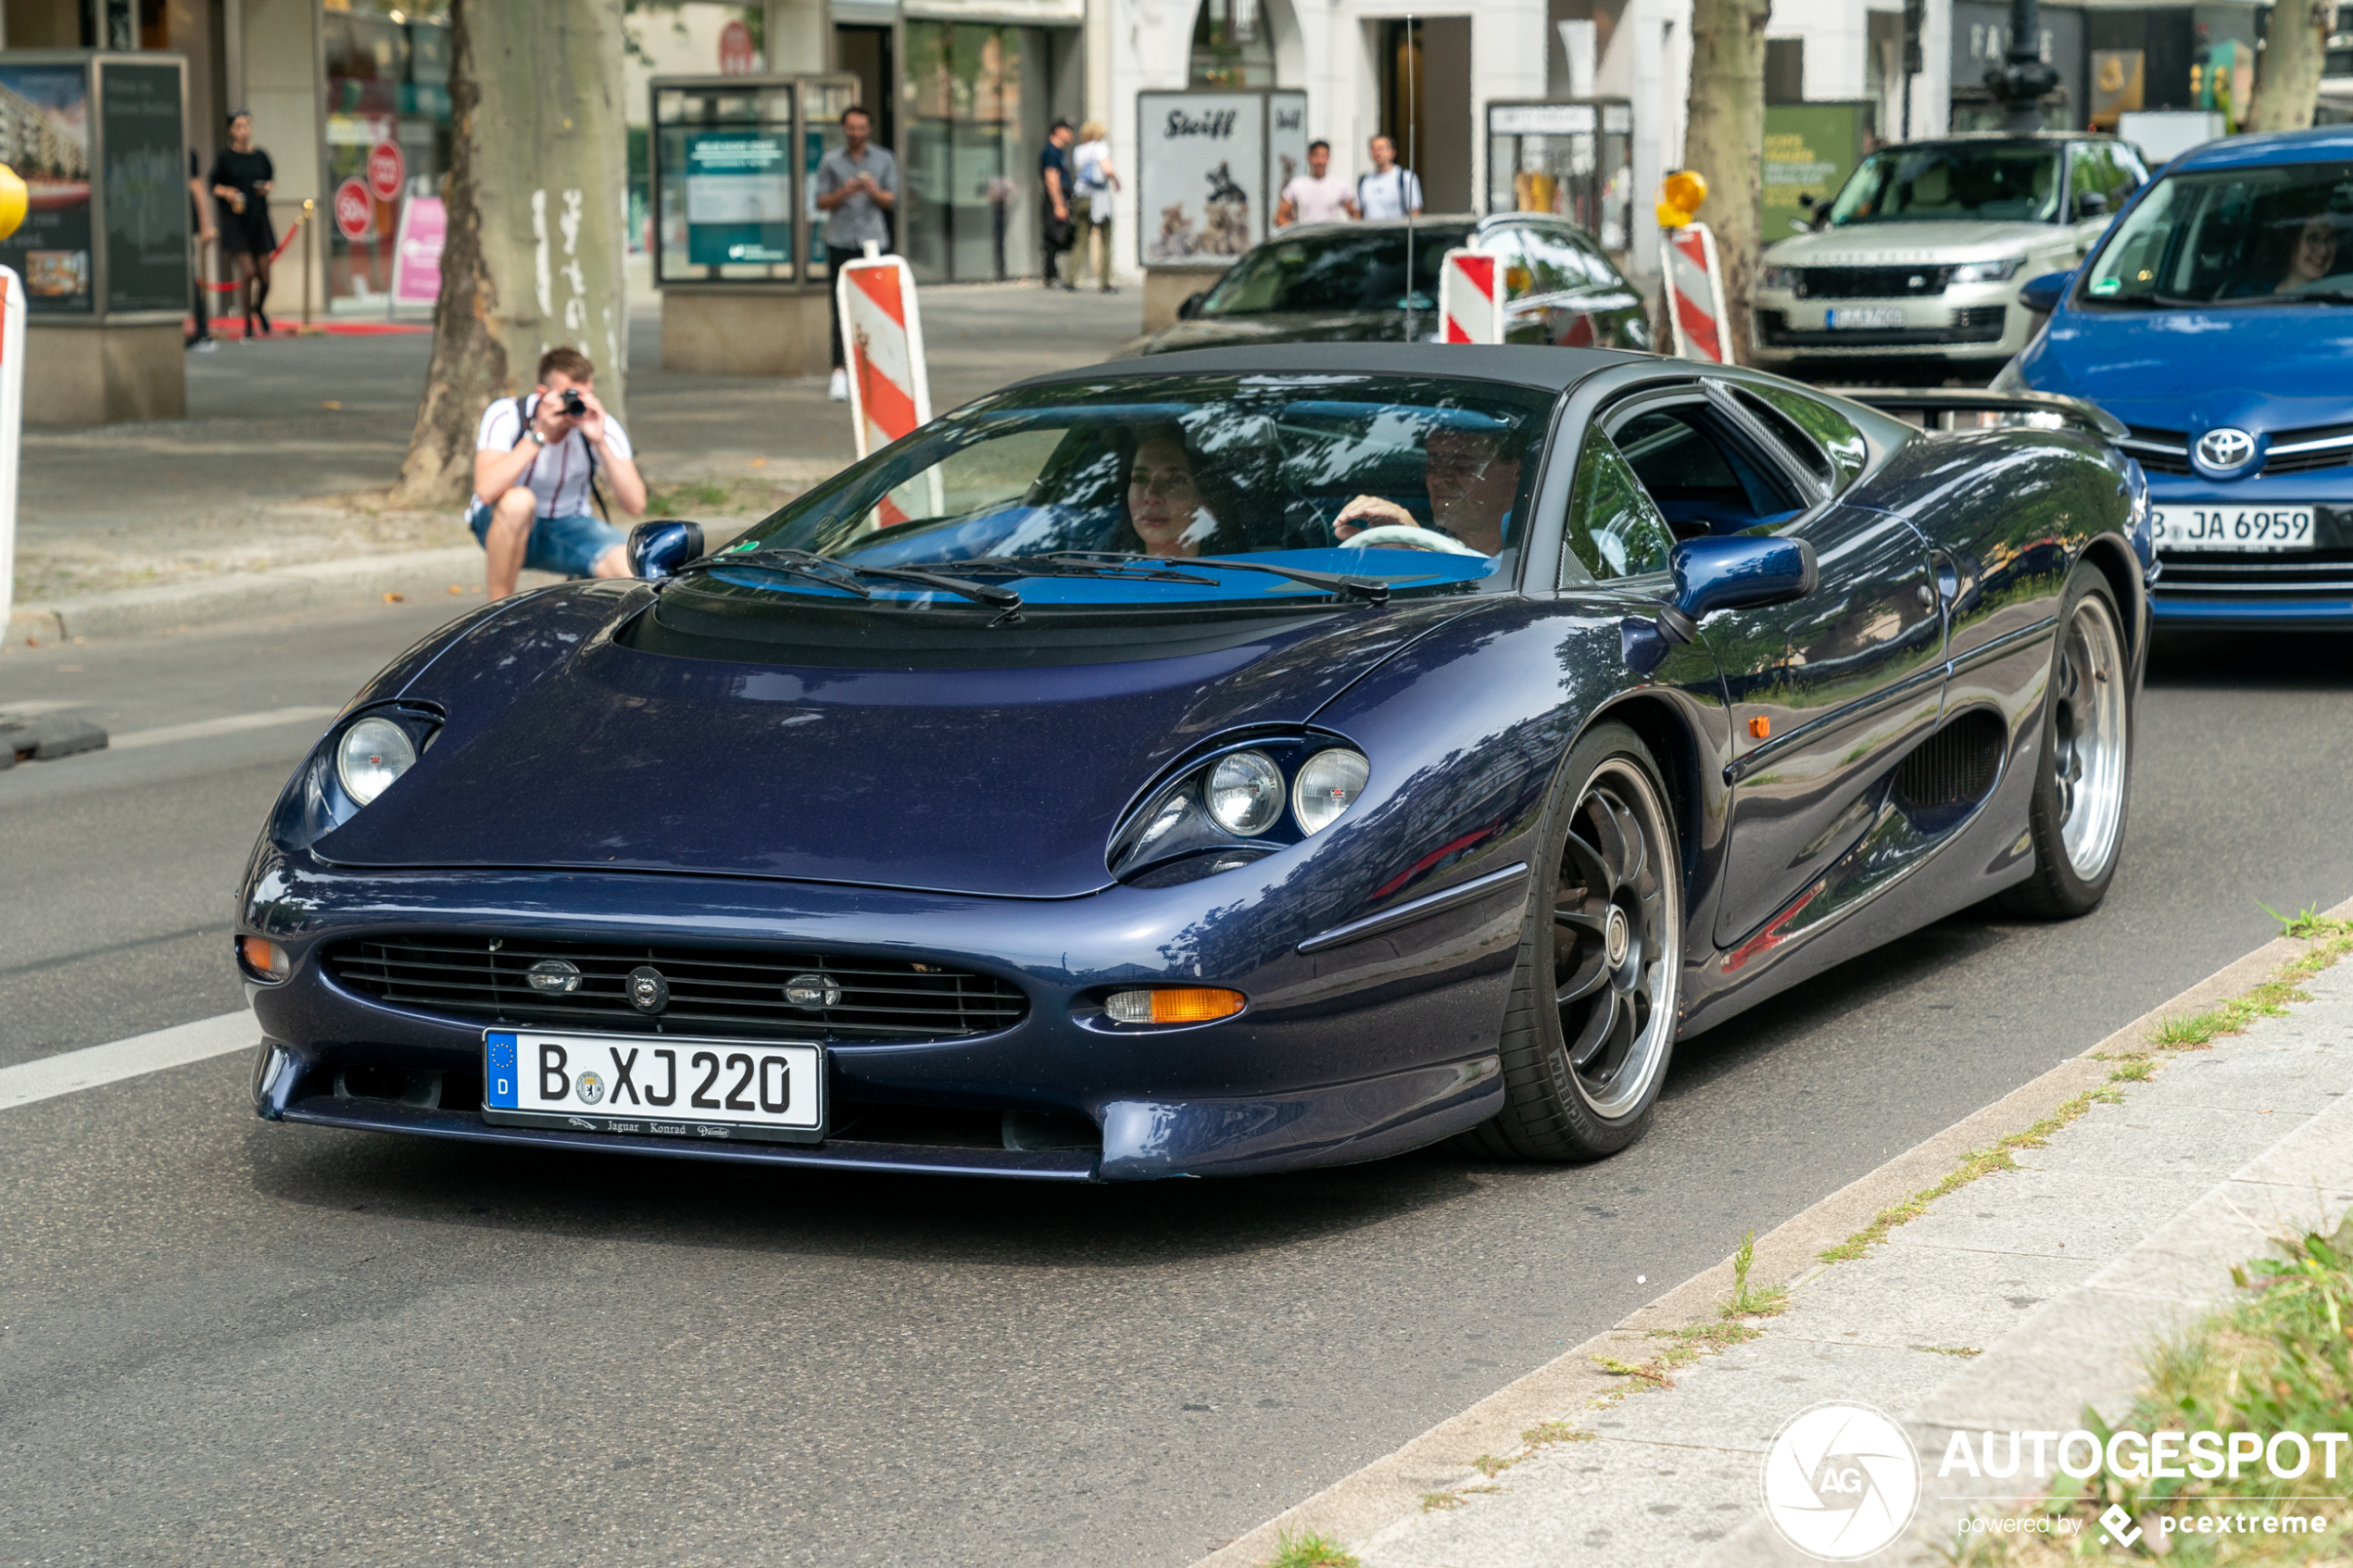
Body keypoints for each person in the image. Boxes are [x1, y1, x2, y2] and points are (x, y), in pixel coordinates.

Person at [470, 347, 648, 599]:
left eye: (583, 395)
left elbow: (636, 505)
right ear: (542, 393)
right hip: (501, 522)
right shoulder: (507, 414)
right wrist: (539, 435)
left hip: (569, 526)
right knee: (519, 501)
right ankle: (496, 613)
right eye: (567, 395)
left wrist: (600, 442)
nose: (575, 404)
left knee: (639, 573)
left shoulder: (600, 424)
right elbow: (486, 490)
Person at [815, 106, 898, 402]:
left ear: (869, 129)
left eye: (861, 128)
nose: (856, 133)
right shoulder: (831, 161)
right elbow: (821, 201)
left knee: (879, 306)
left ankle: (879, 369)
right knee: (840, 307)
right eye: (851, 128)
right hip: (840, 241)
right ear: (843, 129)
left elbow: (891, 199)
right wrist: (845, 191)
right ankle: (840, 371)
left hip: (874, 241)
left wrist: (872, 190)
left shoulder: (884, 159)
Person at [1332, 425, 1519, 556]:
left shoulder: (1541, 561)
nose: (1439, 477)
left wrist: (1422, 550)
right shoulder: (1403, 545)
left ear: (1515, 473)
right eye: (1434, 460)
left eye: (1463, 462)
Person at [208, 111, 277, 340]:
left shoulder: (261, 156)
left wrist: (266, 188)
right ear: (231, 131)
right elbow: (213, 185)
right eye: (238, 127)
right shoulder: (225, 159)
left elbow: (270, 179)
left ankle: (258, 307)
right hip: (235, 221)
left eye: (246, 125)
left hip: (259, 218)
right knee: (247, 272)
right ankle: (247, 323)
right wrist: (227, 192)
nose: (243, 131)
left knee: (265, 277)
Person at [1124, 426, 1238, 558]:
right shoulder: (1097, 562)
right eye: (1139, 478)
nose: (1151, 496)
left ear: (1205, 499)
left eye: (1176, 480)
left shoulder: (1247, 567)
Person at [1071, 119, 1121, 293]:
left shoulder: (1079, 150)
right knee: (1106, 239)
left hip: (1081, 196)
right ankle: (1105, 281)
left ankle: (1070, 277)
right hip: (1099, 197)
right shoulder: (1100, 148)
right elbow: (1107, 169)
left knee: (1081, 240)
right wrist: (1116, 180)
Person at [1277, 140, 1358, 227]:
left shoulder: (1340, 185)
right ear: (1309, 157)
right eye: (1316, 156)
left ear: (1329, 158)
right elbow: (1280, 217)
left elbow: (1356, 214)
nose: (1320, 161)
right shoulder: (1297, 185)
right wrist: (1295, 233)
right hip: (1306, 237)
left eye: (1324, 156)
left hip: (1331, 237)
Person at [1039, 119, 1077, 291]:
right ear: (1058, 130)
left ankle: (1053, 272)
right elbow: (1051, 178)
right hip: (1055, 198)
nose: (1071, 133)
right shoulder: (1051, 152)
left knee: (1061, 235)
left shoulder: (1060, 152)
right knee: (1053, 236)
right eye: (1068, 130)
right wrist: (1058, 204)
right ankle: (1049, 274)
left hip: (1063, 197)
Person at [186, 149, 218, 353]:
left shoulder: (184, 153)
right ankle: (200, 331)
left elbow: (198, 190)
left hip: (180, 233)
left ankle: (202, 332)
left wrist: (206, 226)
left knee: (191, 280)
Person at [1356, 134, 1424, 220]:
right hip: (1370, 232)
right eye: (1373, 149)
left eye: (1381, 149)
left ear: (1392, 153)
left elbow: (1414, 212)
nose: (1377, 153)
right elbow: (1358, 213)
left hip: (1396, 232)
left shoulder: (1405, 178)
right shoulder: (1364, 180)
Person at [2277, 215, 2340, 293]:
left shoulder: (2344, 297)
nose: (2323, 251)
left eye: (2330, 239)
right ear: (2293, 244)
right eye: (2313, 239)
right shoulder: (2261, 296)